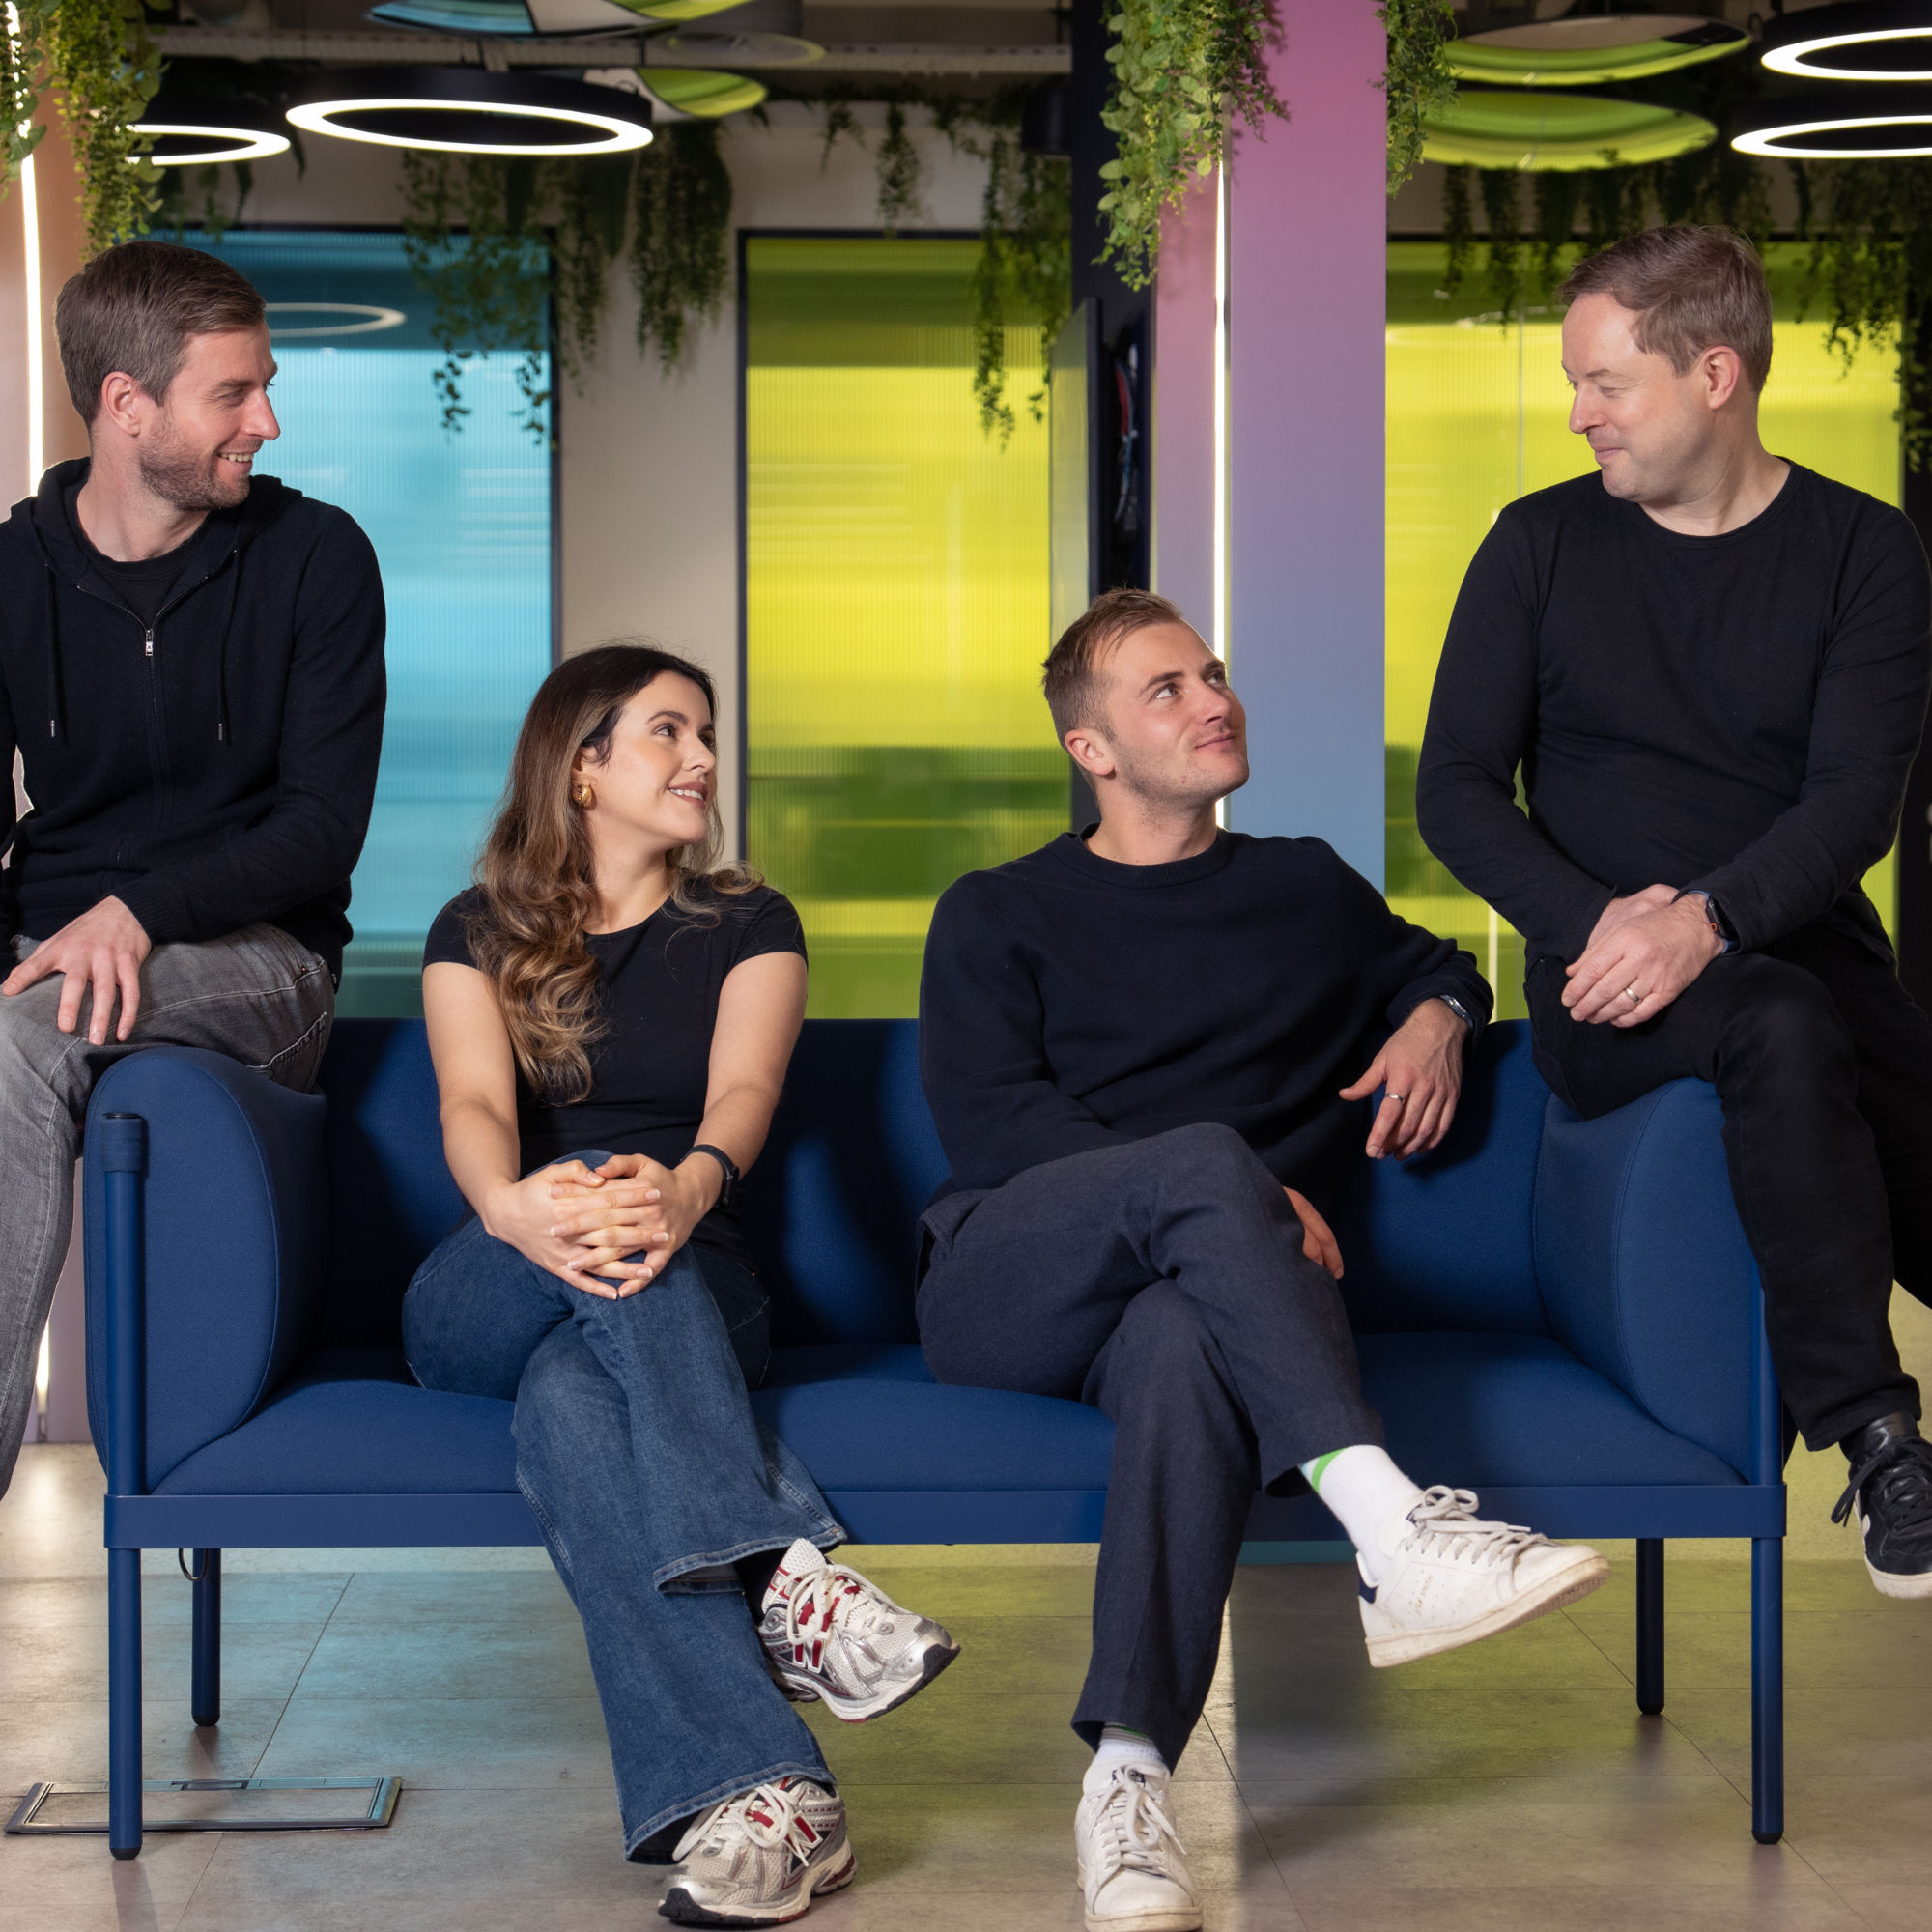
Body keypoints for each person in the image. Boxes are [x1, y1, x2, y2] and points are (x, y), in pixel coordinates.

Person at [917, 589, 1607, 1932]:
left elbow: (1443, 965)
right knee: (1203, 1161)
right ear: (1091, 750)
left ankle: (1126, 1778)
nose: (1214, 701)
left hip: (1189, 1307)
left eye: (1214, 673)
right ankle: (1390, 1532)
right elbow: (997, 1129)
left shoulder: (1303, 884)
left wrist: (1437, 1018)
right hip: (1011, 1280)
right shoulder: (997, 911)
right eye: (1166, 690)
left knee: (1186, 1348)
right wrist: (1233, 1187)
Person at [404, 643, 958, 1927]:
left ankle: (777, 1804)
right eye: (669, 731)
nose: (703, 757)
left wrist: (686, 1191)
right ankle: (785, 1581)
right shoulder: (473, 930)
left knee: (571, 1401)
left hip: (697, 1279)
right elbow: (475, 1106)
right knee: (587, 1186)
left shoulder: (750, 924)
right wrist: (513, 1206)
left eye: (705, 733)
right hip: (496, 1276)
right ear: (582, 766)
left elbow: (745, 1095)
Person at [1416, 224, 1932, 1601]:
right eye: (1576, 385)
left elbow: (1853, 806)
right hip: (1605, 991)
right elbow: (1454, 791)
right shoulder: (1536, 544)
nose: (1580, 413)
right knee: (1776, 1024)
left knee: (1829, 1035)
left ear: (1715, 373)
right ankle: (1878, 1441)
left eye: (1607, 384)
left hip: (1808, 955)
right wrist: (1602, 925)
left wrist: (1704, 918)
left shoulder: (1865, 551)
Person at [0, 239, 386, 1491]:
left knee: (20, 1039)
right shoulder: (8, 573)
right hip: (57, 948)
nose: (267, 422)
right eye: (235, 392)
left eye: (265, 387)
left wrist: (139, 908)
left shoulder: (317, 559)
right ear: (127, 403)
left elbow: (319, 832)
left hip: (260, 961)